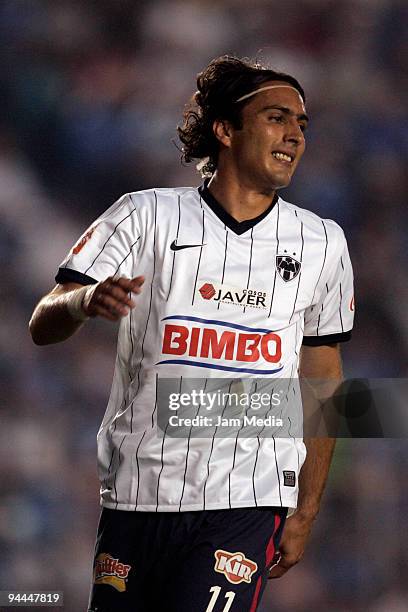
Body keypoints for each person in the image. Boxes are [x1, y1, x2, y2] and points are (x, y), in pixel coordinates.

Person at [29, 56, 354, 612]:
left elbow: (321, 375)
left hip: (248, 502)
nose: (296, 134)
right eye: (278, 118)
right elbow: (44, 322)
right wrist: (86, 300)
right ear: (226, 131)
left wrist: (306, 509)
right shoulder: (144, 215)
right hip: (136, 495)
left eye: (302, 124)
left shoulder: (322, 242)